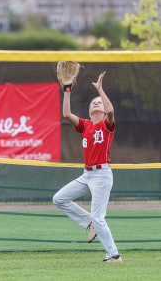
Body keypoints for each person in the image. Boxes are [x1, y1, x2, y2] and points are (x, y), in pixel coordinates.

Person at [53, 71, 122, 263]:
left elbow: (110, 112)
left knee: (99, 217)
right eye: (93, 102)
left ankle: (114, 255)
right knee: (59, 199)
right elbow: (66, 114)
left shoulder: (107, 126)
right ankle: (88, 222)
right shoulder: (86, 125)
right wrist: (67, 89)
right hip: (87, 175)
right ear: (90, 110)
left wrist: (100, 89)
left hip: (102, 175)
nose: (96, 103)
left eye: (99, 101)